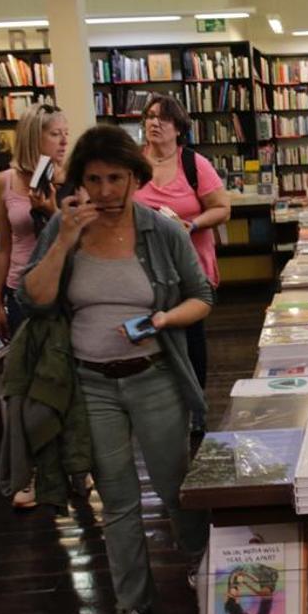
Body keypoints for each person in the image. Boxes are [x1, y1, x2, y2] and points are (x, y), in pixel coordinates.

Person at [19, 125, 212, 614]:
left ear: (135, 178)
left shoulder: (161, 230)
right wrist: (62, 241)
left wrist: (165, 318)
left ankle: (201, 570)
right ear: (78, 181)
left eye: (115, 178)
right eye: (93, 179)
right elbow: (32, 299)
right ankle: (135, 608)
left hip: (153, 374)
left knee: (175, 486)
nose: (104, 191)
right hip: (90, 383)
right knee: (118, 501)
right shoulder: (65, 227)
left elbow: (202, 296)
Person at [0, 104, 69, 509]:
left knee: (62, 379)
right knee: (25, 386)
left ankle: (74, 465)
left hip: (60, 292)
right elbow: (2, 245)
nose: (63, 141)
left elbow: (76, 235)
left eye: (65, 133)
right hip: (20, 295)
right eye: (56, 133)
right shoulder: (5, 182)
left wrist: (51, 209)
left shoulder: (68, 182)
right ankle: (31, 473)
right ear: (34, 137)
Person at [133, 94, 230, 403]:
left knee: (190, 339)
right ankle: (157, 403)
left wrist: (192, 225)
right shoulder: (133, 163)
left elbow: (222, 209)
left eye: (162, 118)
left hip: (188, 267)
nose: (154, 123)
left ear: (178, 127)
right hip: (143, 269)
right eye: (149, 116)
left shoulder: (193, 164)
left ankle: (195, 403)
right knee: (150, 337)